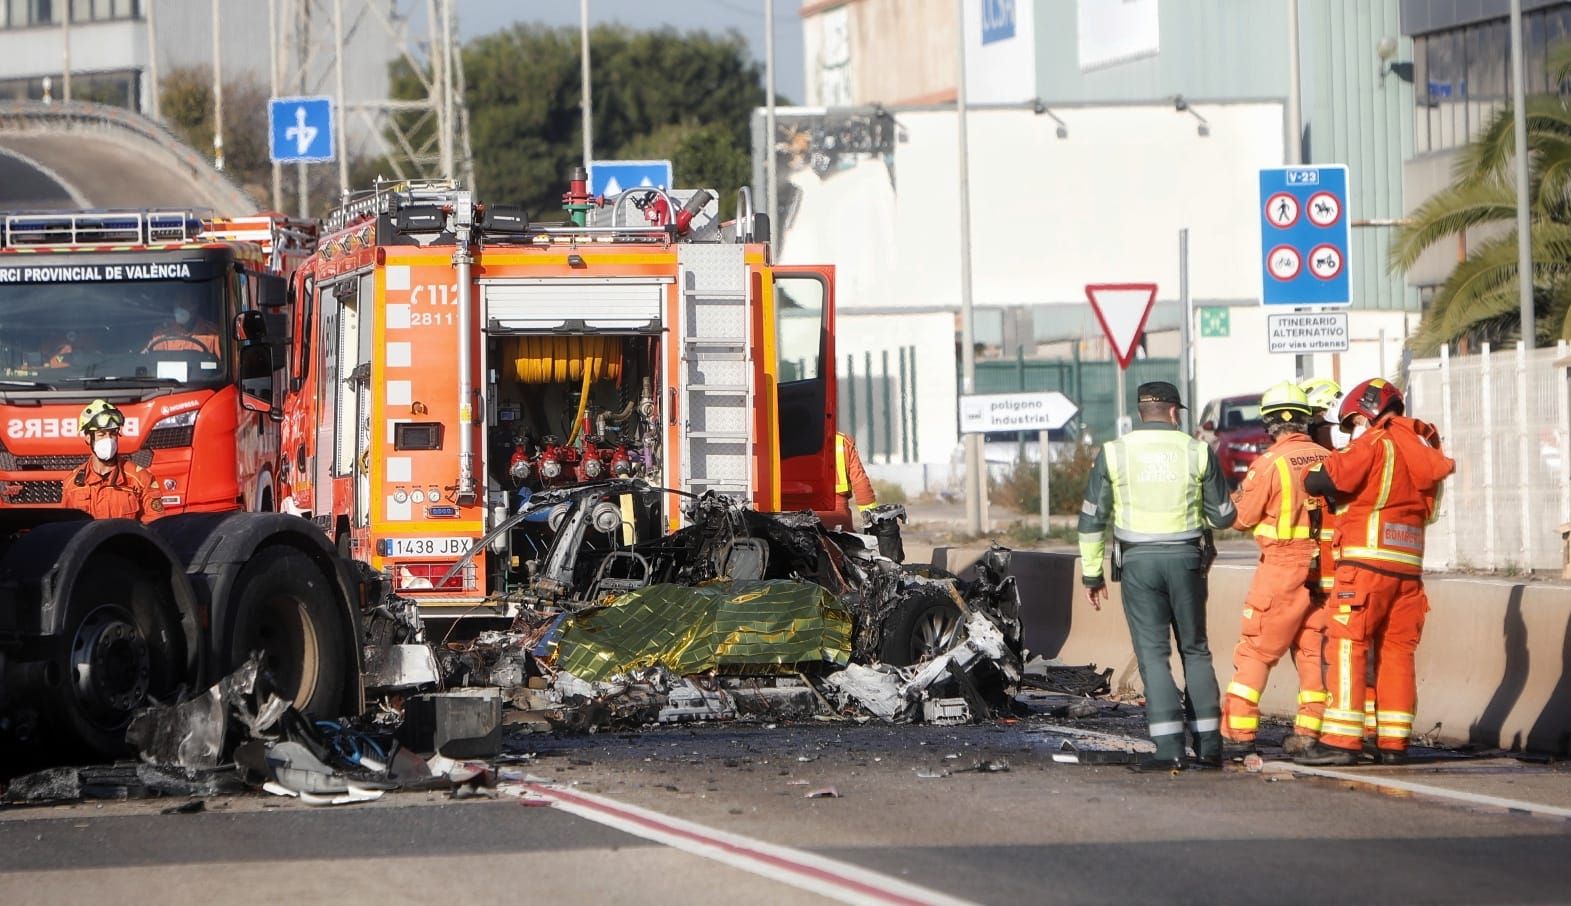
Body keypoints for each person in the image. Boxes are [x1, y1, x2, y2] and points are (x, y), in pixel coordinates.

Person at [1078, 381, 1236, 771]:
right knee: (1195, 650)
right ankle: (1210, 744)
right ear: (1172, 412)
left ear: (1141, 413)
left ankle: (1169, 748)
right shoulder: (1197, 451)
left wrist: (1092, 574)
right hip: (1186, 561)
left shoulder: (1115, 454)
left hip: (1137, 563)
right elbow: (1224, 516)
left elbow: (1091, 520)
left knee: (1153, 654)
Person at [1296, 378, 1454, 766]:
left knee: (1347, 647)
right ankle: (1393, 743)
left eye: (1354, 422)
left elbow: (1322, 478)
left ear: (1367, 411)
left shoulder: (1375, 442)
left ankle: (1341, 741)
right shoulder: (1424, 451)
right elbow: (1428, 513)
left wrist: (1330, 471)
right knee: (1397, 653)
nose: (1354, 430)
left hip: (1364, 568)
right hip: (1409, 572)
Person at [1222, 382, 1332, 756]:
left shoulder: (1268, 465)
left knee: (1256, 651)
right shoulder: (1331, 457)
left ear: (1270, 424)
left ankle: (1239, 732)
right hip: (1324, 571)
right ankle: (1310, 732)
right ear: (1306, 419)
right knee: (1313, 653)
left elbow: (1240, 518)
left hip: (1282, 569)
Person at [62, 399, 165, 522]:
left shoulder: (141, 479)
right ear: (88, 438)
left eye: (112, 434)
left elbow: (155, 527)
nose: (109, 439)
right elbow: (67, 531)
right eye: (101, 434)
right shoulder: (73, 484)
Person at [827, 431, 877, 530]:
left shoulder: (790, 441)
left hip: (797, 519)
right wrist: (872, 519)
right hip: (838, 517)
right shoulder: (841, 442)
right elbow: (861, 483)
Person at [144, 302, 221, 355]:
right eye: (180, 304)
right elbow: (147, 361)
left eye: (188, 303)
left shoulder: (213, 334)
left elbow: (223, 367)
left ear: (197, 305)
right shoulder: (160, 333)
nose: (183, 308)